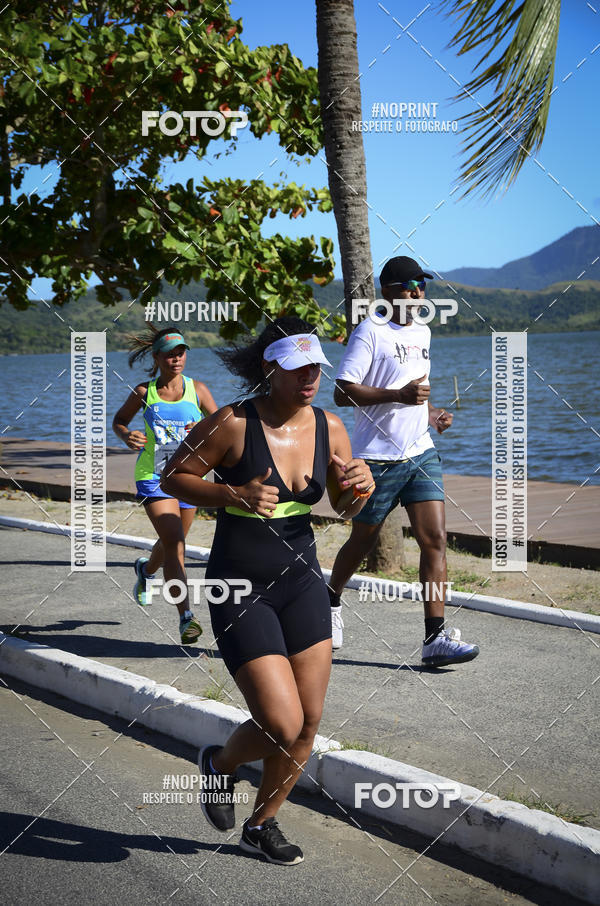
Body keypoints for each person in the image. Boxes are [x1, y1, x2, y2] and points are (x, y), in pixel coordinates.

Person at [161, 317, 374, 865]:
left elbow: (345, 508)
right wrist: (232, 492)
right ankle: (220, 766)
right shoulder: (232, 422)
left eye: (317, 368)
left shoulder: (331, 426)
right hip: (239, 585)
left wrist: (359, 491)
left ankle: (262, 823)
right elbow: (174, 478)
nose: (311, 378)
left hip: (303, 582)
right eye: (299, 368)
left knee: (310, 720)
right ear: (270, 368)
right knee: (282, 721)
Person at [329, 256, 479, 667]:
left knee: (435, 540)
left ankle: (434, 638)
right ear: (388, 290)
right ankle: (331, 601)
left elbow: (417, 393)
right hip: (375, 459)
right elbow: (342, 393)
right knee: (362, 540)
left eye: (421, 285)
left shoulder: (424, 332)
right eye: (408, 285)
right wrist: (397, 396)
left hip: (420, 452)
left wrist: (431, 415)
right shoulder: (370, 332)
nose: (416, 292)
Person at [112, 325, 217, 643]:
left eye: (181, 352)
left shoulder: (197, 389)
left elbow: (221, 425)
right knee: (175, 543)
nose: (176, 358)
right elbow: (119, 421)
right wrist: (127, 435)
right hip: (153, 476)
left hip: (188, 477)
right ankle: (186, 618)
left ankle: (146, 571)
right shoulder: (144, 393)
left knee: (173, 541)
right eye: (170, 353)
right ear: (156, 357)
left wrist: (201, 432)